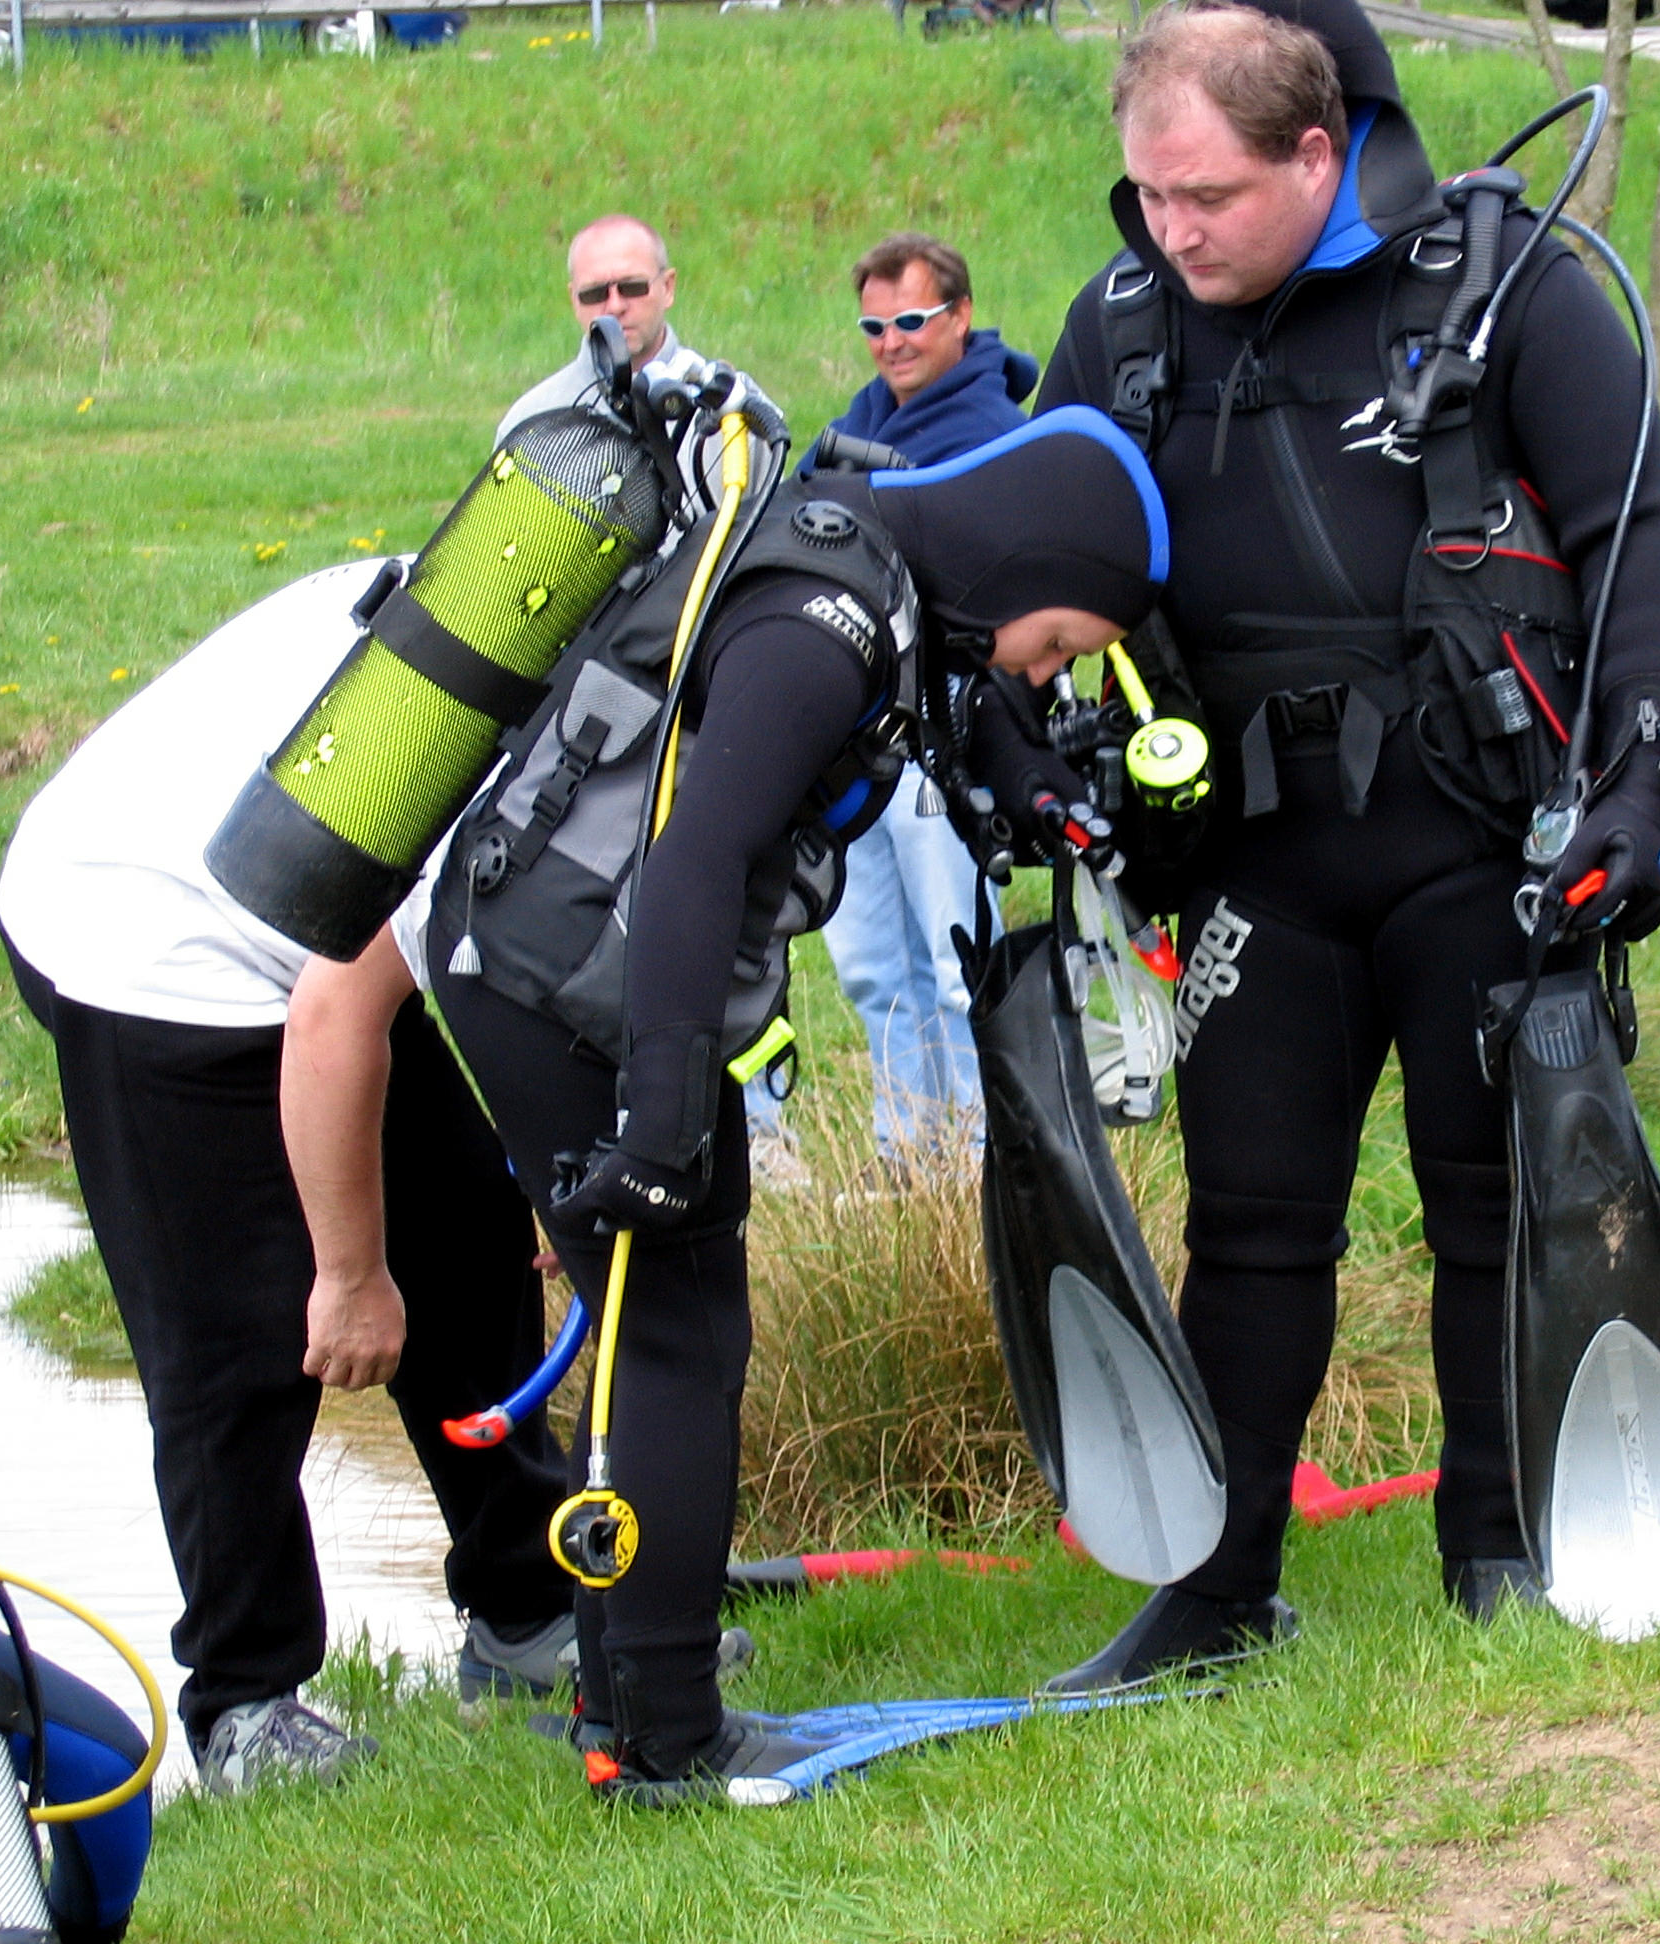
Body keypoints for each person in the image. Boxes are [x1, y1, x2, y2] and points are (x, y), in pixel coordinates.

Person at [282, 410, 1169, 1806]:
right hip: (561, 981)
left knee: (661, 1330)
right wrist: (663, 1115)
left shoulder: (866, 568)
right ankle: (667, 1737)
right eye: (1057, 639)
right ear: (1027, 560)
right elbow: (700, 855)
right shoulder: (826, 621)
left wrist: (1030, 780)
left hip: (550, 959)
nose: (1042, 668)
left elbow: (944, 707)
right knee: (679, 1336)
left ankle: (622, 1694)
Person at [1016, 0, 1660, 1684]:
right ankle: (1217, 1591)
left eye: (1207, 196)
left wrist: (1640, 791)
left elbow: (1635, 546)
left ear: (1319, 153)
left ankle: (1501, 1546)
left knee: (1493, 1205)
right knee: (1250, 1223)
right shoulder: (1123, 327)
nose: (1173, 233)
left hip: (1480, 837)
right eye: (1146, 196)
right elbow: (1018, 561)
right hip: (1256, 855)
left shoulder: (1508, 289)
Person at [0, 560, 578, 1795]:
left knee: (470, 1230)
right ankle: (244, 1703)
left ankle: (526, 1611)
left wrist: (550, 1163)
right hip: (139, 933)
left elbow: (489, 968)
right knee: (242, 1337)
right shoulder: (470, 750)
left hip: (307, 924)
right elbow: (332, 1022)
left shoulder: (557, 643)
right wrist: (351, 1275)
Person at [778, 233, 1042, 1175]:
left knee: (955, 956)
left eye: (912, 321)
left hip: (946, 731)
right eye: (874, 327)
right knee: (870, 966)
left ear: (961, 316)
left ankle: (983, 1160)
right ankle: (906, 1162)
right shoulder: (853, 430)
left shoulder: (997, 435)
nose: (891, 343)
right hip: (854, 734)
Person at [498, 214, 709, 443]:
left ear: (667, 288)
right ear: (574, 300)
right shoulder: (530, 423)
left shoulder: (724, 410)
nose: (615, 306)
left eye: (632, 287)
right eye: (595, 294)